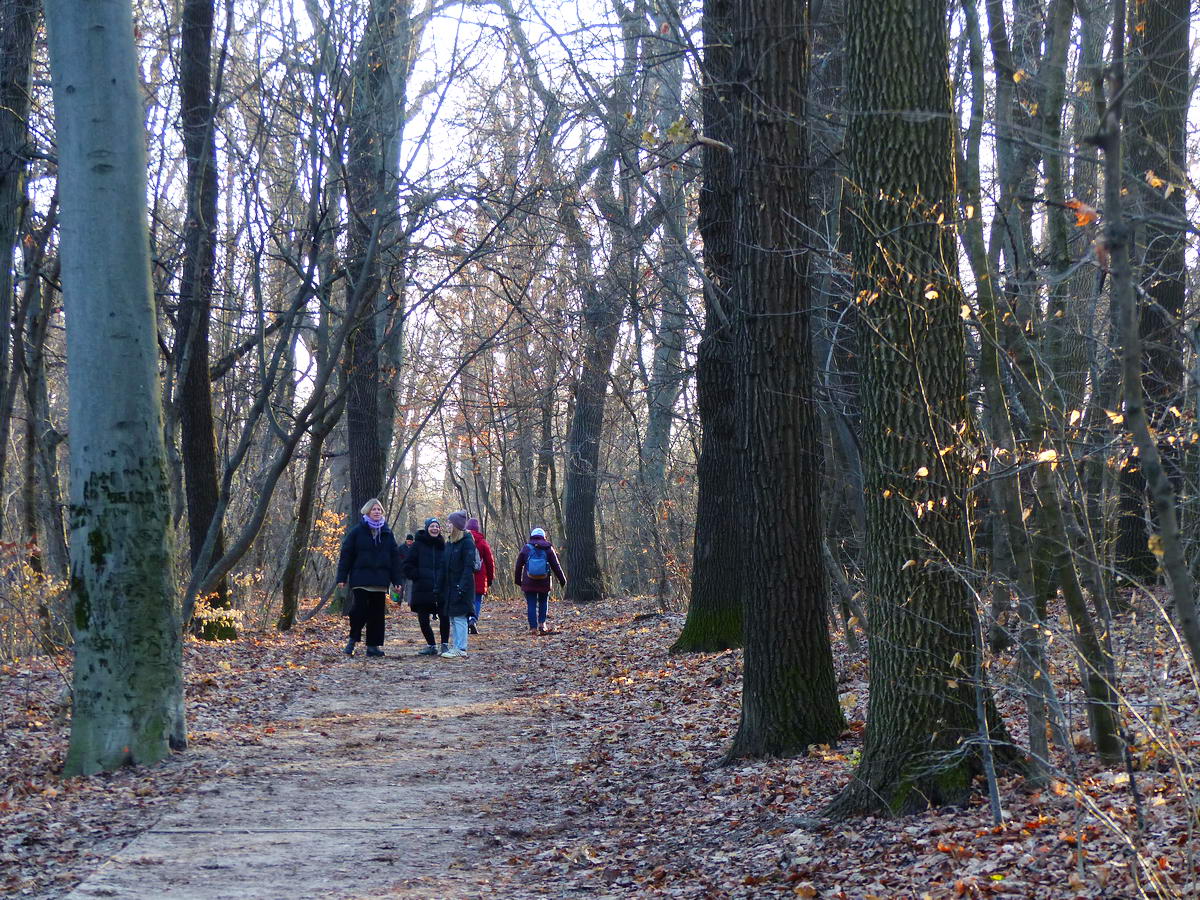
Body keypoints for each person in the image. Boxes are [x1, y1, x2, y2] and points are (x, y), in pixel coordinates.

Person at [336, 498, 404, 657]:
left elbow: (394, 558)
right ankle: (353, 640)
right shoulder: (357, 531)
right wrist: (342, 577)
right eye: (374, 509)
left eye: (379, 510)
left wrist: (397, 581)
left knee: (377, 614)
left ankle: (373, 646)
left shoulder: (387, 533)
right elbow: (346, 555)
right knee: (358, 611)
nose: (377, 512)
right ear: (367, 511)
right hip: (361, 579)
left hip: (380, 580)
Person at [404, 518, 447, 655]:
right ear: (427, 528)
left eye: (437, 526)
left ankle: (445, 645)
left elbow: (449, 565)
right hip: (422, 588)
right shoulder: (418, 545)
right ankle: (431, 645)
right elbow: (407, 565)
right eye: (432, 526)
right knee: (423, 619)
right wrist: (417, 575)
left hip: (441, 588)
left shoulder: (444, 545)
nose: (435, 528)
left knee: (444, 617)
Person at [439, 511, 478, 658]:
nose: (447, 525)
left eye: (449, 522)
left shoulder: (467, 541)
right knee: (453, 618)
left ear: (456, 525)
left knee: (460, 617)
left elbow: (469, 567)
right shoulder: (449, 542)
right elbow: (444, 565)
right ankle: (456, 646)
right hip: (450, 586)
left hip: (462, 586)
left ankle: (461, 648)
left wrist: (461, 587)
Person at [514, 527, 566, 636]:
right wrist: (562, 579)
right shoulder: (548, 548)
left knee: (531, 604)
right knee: (543, 602)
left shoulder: (526, 548)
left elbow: (518, 566)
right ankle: (542, 624)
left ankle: (533, 628)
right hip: (544, 580)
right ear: (544, 536)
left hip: (529, 581)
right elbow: (556, 566)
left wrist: (519, 581)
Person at [465, 516, 495, 634]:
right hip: (480, 577)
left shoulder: (463, 540)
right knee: (477, 600)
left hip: (466, 576)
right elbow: (489, 562)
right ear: (477, 528)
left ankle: (467, 619)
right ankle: (473, 620)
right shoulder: (483, 542)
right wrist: (491, 578)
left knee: (467, 600)